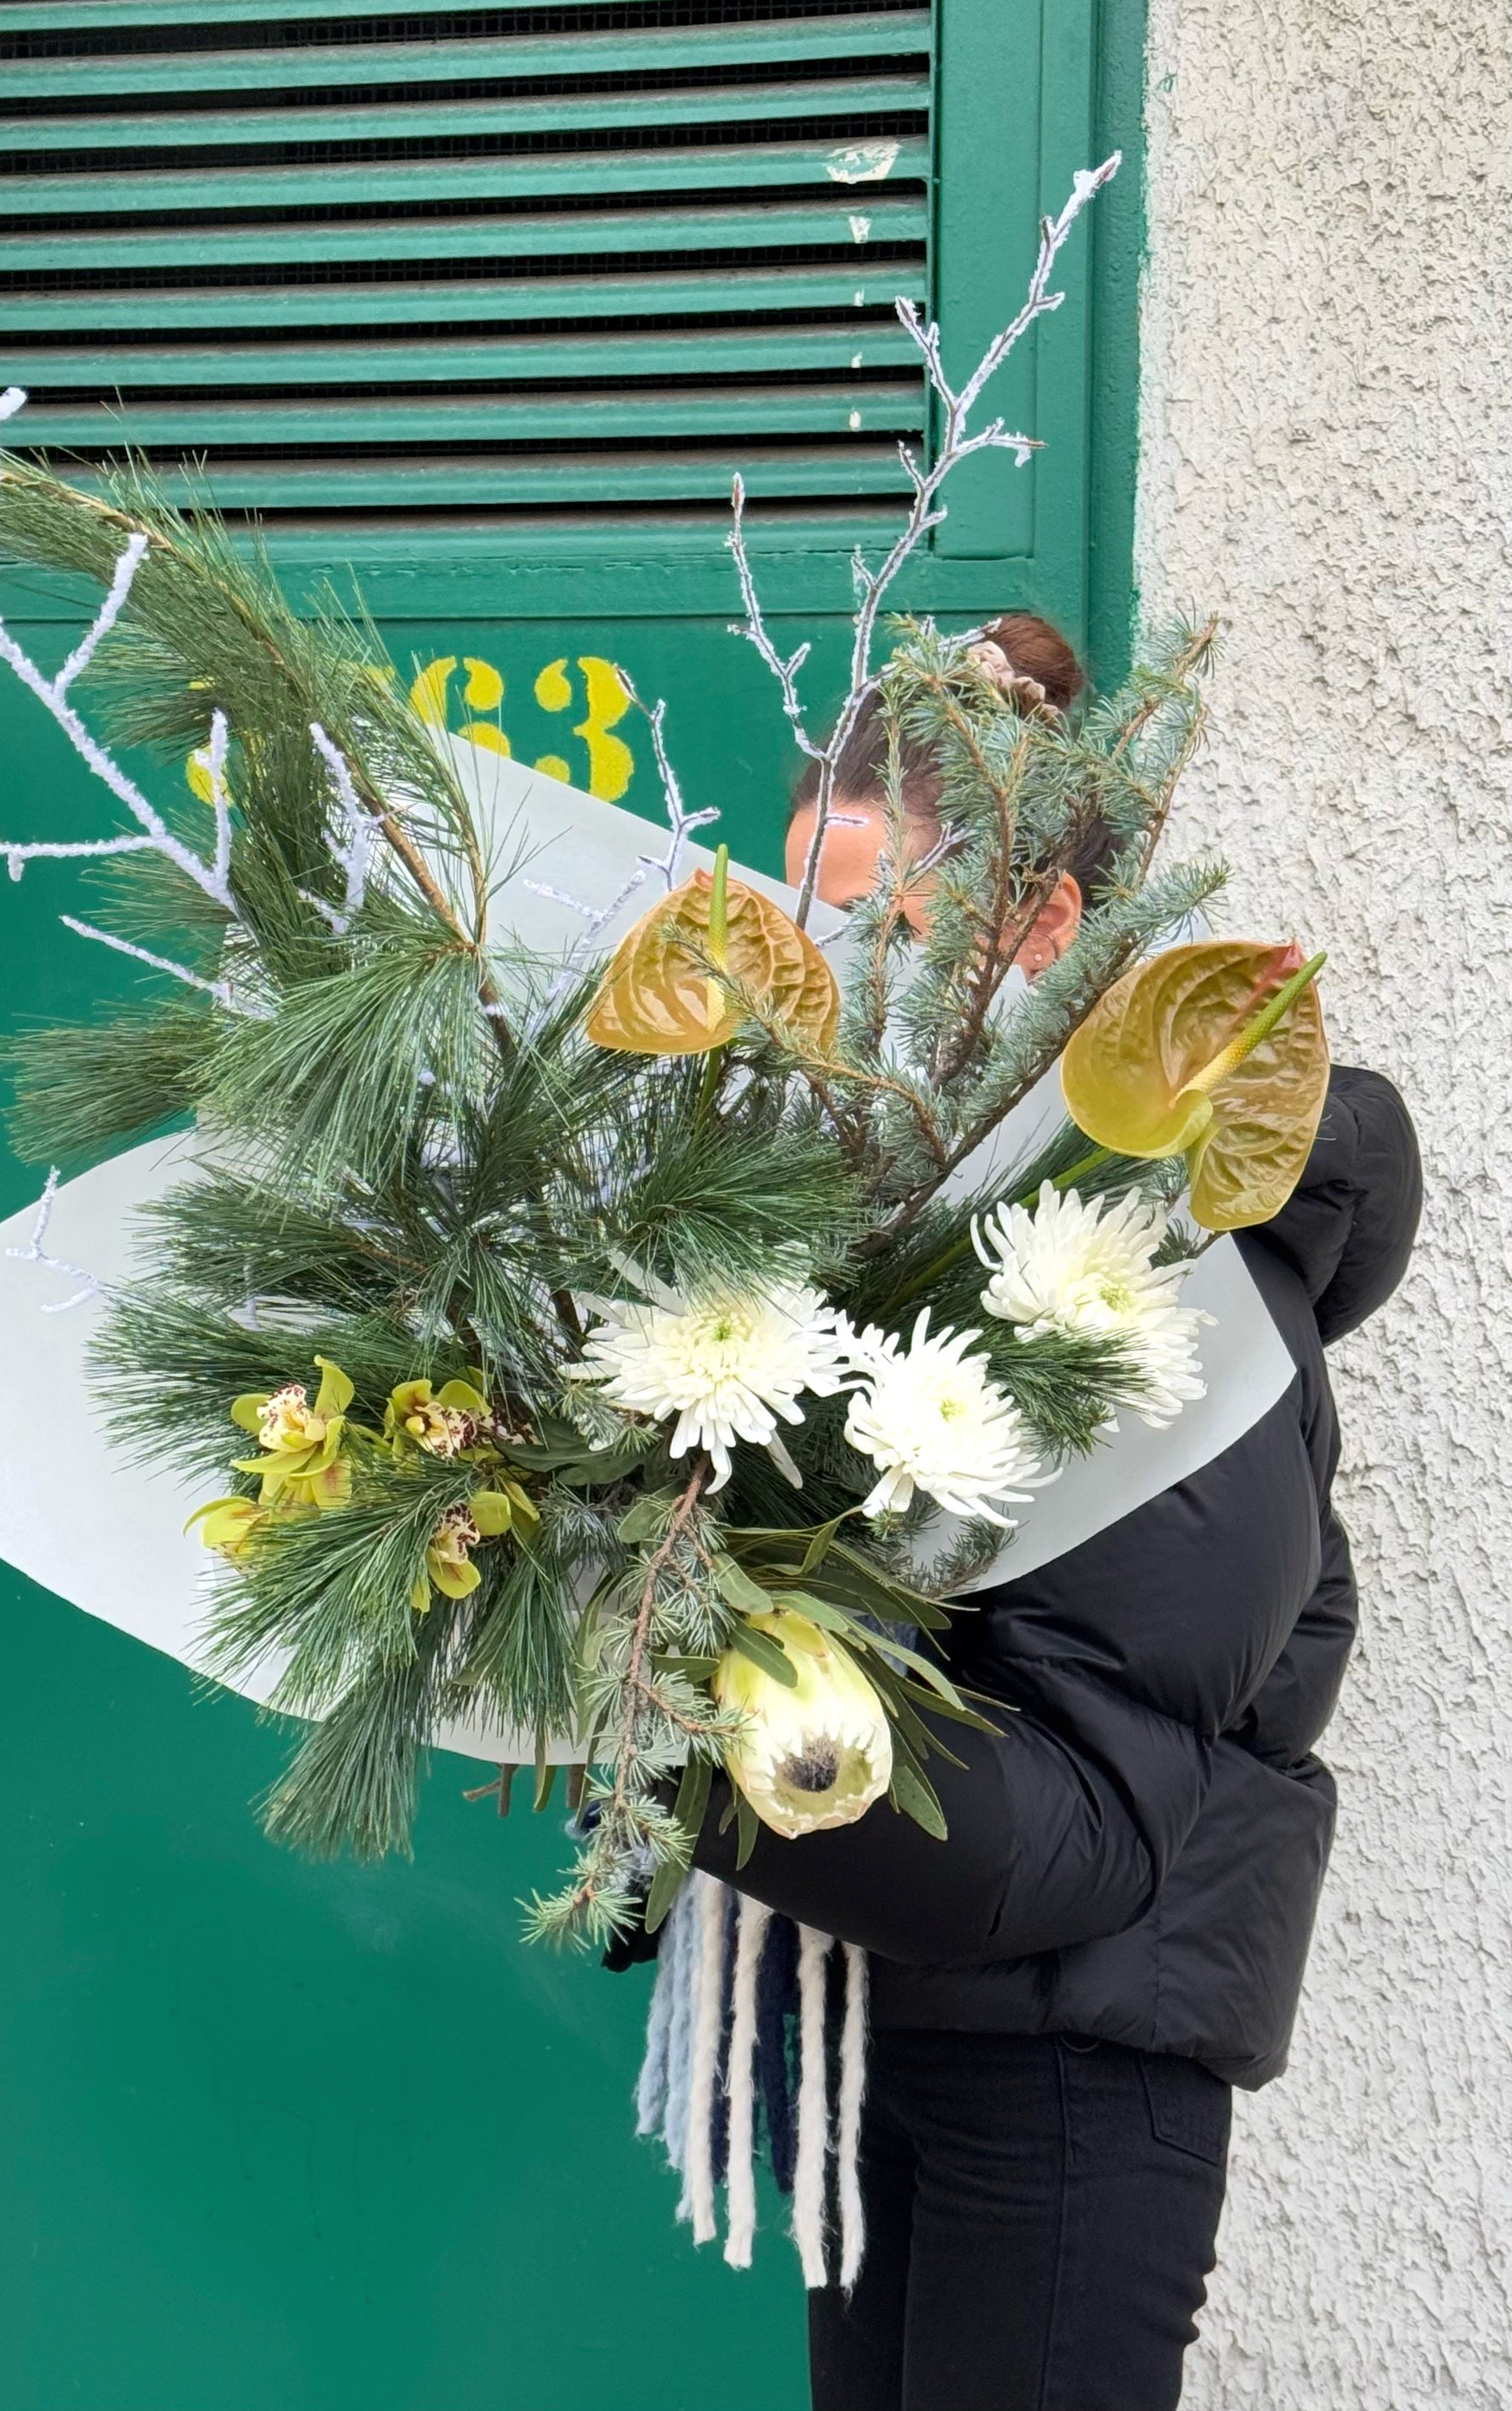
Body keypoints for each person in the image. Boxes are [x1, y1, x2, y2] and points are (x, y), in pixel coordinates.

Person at [687, 614, 1423, 2410]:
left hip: (1069, 2054)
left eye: (864, 924)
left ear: (1028, 932)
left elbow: (1084, 1805)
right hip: (895, 2015)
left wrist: (668, 1720)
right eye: (802, 923)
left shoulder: (1160, 1282)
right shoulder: (886, 1242)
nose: (821, 982)